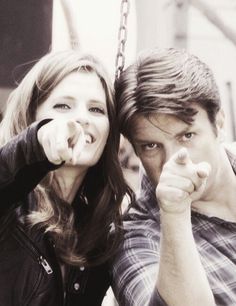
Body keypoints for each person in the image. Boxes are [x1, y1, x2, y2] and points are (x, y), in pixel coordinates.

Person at [0, 49, 132, 306]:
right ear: (31, 116)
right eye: (63, 106)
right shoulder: (10, 206)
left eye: (96, 109)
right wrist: (37, 143)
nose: (81, 117)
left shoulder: (100, 233)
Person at [111, 47, 236, 306]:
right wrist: (175, 212)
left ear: (219, 123)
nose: (173, 161)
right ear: (136, 151)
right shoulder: (136, 238)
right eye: (151, 146)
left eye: (187, 136)